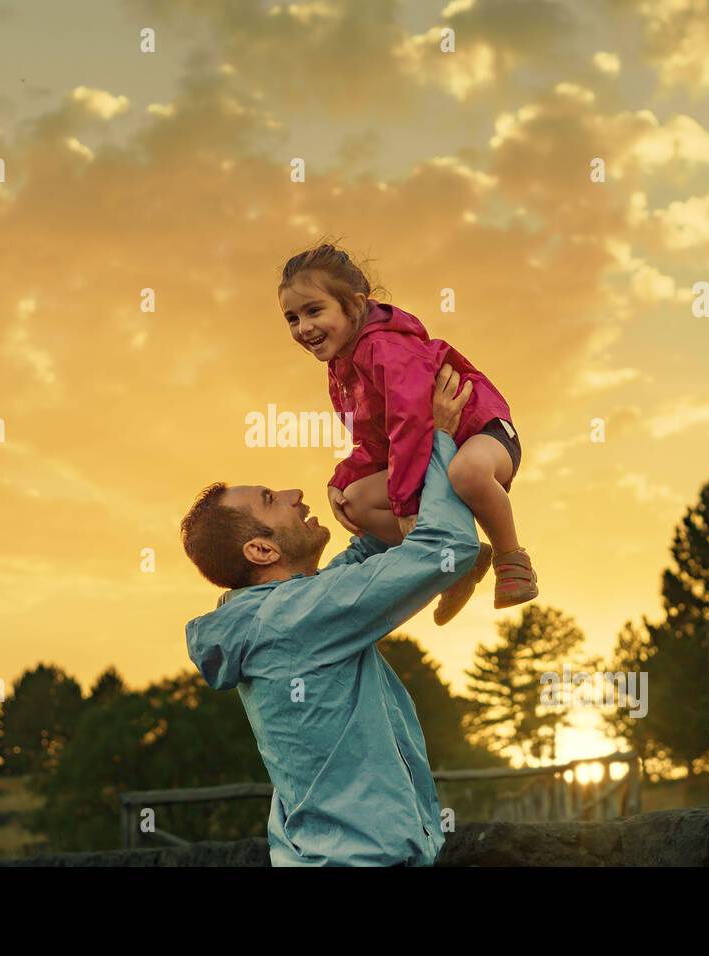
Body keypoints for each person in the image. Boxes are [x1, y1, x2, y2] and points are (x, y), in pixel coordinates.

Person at [179, 366, 479, 866]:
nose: (297, 494)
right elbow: (446, 548)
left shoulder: (281, 612)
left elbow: (369, 559)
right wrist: (441, 440)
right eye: (272, 500)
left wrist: (393, 457)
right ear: (259, 549)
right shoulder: (293, 616)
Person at [277, 241, 538, 623]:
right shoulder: (341, 369)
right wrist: (342, 477)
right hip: (430, 454)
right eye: (292, 318)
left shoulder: (386, 347)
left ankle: (511, 557)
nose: (304, 327)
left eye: (314, 310)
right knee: (354, 502)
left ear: (355, 303)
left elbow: (411, 422)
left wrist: (405, 505)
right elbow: (374, 441)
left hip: (480, 433)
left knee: (467, 471)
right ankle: (458, 564)